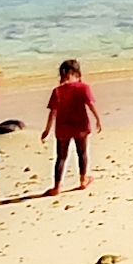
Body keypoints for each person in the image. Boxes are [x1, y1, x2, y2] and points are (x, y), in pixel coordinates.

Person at [44, 56, 98, 194]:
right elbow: (90, 105)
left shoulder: (57, 91)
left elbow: (52, 113)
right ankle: (83, 180)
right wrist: (98, 119)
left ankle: (56, 187)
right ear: (78, 74)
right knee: (82, 153)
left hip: (63, 129)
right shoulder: (83, 88)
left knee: (61, 157)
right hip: (81, 126)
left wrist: (47, 130)